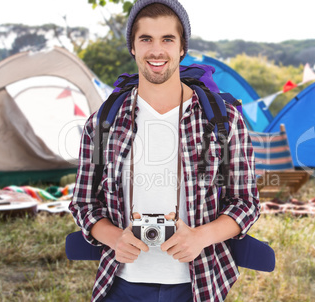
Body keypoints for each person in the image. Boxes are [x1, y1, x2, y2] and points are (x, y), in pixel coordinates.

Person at [69, 0, 260, 301]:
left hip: (199, 283)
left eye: (167, 39)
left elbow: (246, 203)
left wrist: (200, 237)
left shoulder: (224, 119)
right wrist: (115, 237)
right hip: (121, 283)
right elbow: (83, 203)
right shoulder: (103, 121)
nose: (156, 51)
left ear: (182, 47)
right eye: (145, 39)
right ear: (132, 46)